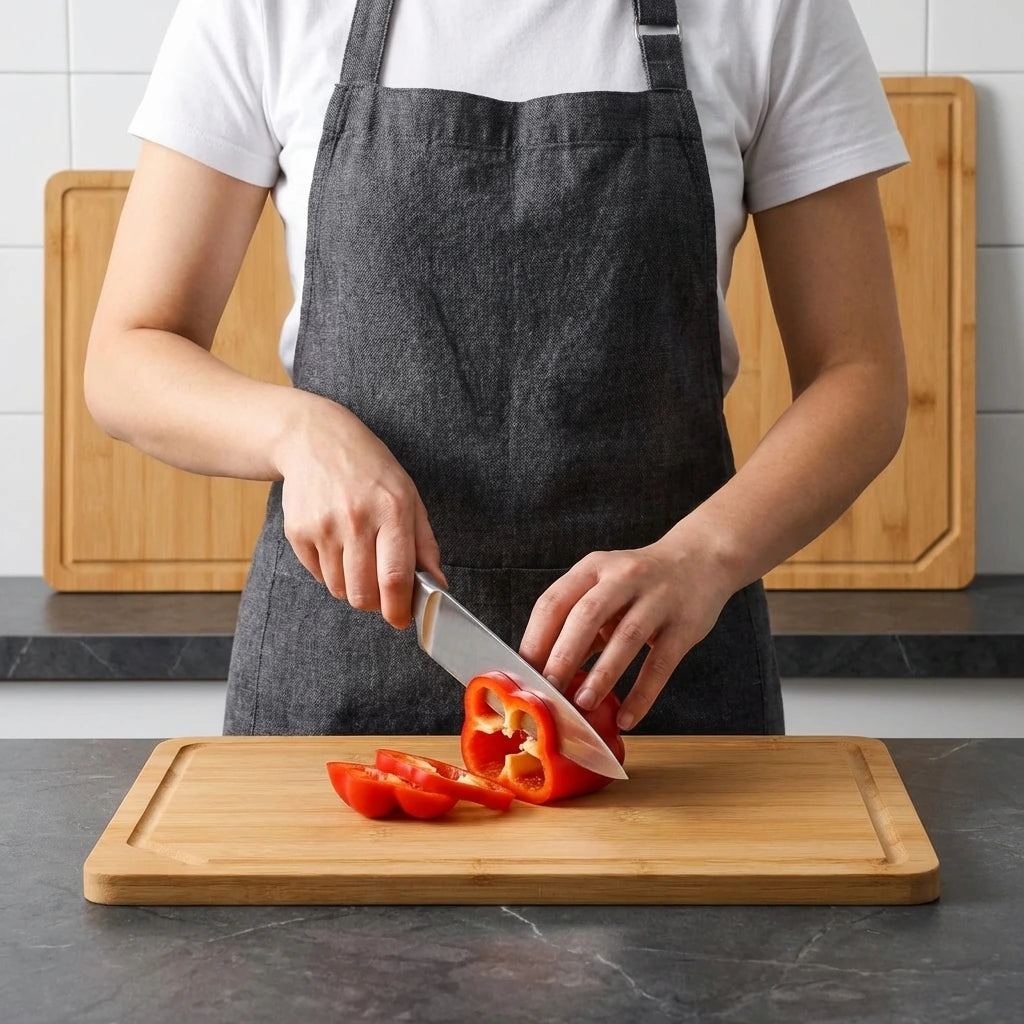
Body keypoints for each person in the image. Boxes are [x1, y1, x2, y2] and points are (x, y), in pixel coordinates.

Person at [84, 0, 908, 738]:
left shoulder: (774, 12)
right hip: (340, 685)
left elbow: (859, 376)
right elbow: (129, 352)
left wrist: (707, 557)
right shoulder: (262, 10)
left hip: (657, 687)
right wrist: (299, 431)